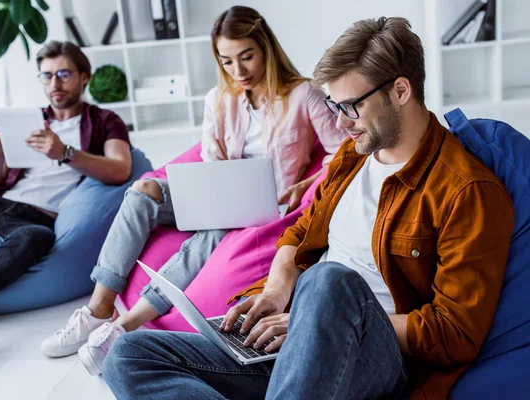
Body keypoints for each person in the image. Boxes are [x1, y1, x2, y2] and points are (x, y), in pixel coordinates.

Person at [101, 17, 515, 400]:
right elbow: (299, 233)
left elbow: (456, 332)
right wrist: (280, 288)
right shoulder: (352, 161)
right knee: (130, 355)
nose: (340, 123)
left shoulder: (466, 191)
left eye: (350, 106)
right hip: (295, 343)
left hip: (373, 357)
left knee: (329, 281)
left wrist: (312, 322)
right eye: (334, 107)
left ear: (401, 91)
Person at [42, 5, 346, 376]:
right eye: (228, 61)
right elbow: (208, 158)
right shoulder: (219, 99)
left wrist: (306, 183)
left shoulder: (303, 94)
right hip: (220, 191)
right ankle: (98, 308)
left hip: (266, 204)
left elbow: (340, 151)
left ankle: (125, 326)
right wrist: (205, 192)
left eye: (247, 56)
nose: (239, 71)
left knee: (212, 233)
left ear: (266, 47)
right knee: (143, 189)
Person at [0, 41, 132, 336]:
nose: (54, 84)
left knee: (37, 238)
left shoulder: (105, 121)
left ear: (84, 76)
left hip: (32, 218)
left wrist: (66, 152)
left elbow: (121, 168)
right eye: (46, 75)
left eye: (64, 74)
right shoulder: (28, 120)